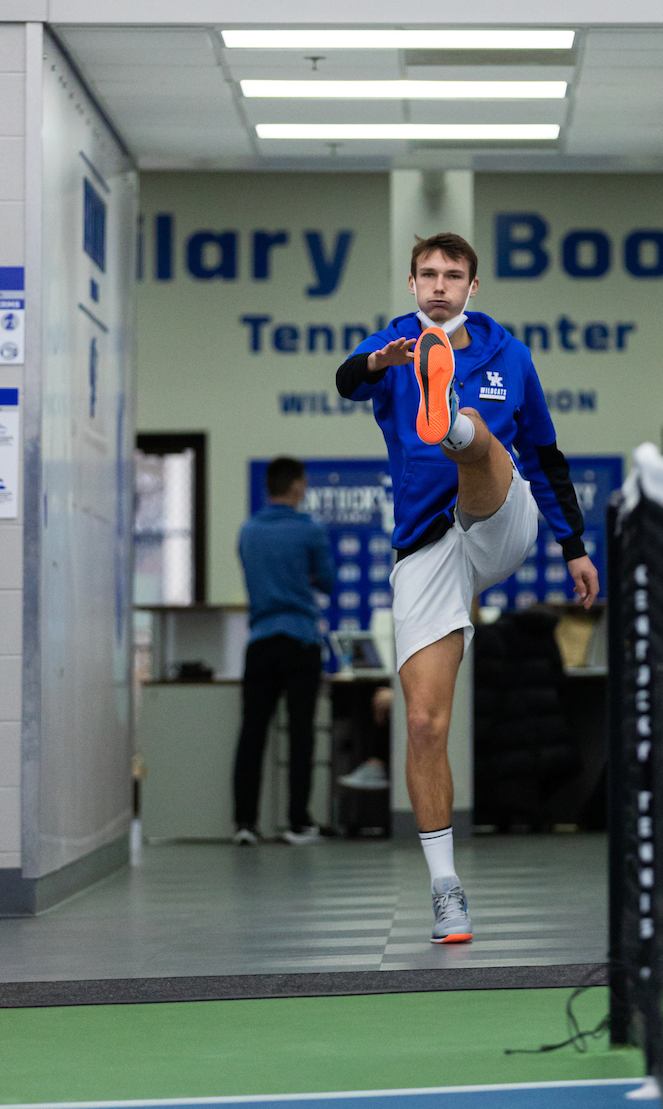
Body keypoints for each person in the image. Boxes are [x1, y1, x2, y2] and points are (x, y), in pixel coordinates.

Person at [335, 232, 598, 943]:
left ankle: (450, 424)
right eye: (428, 274)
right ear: (412, 283)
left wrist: (574, 546)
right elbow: (346, 380)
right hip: (427, 547)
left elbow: (546, 454)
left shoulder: (510, 355)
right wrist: (375, 363)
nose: (440, 285)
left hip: (498, 521)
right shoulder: (389, 346)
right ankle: (447, 888)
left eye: (454, 275)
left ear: (472, 287)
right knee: (423, 723)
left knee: (484, 436)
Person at [233, 455, 335, 846]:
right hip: (301, 640)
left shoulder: (247, 531)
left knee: (252, 733)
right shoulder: (310, 530)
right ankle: (297, 822)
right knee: (300, 733)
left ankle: (245, 823)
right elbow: (325, 581)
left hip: (259, 641)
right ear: (295, 486)